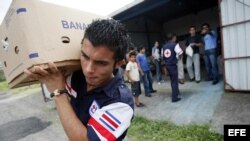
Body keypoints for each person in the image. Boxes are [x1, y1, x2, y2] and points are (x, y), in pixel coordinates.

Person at [24, 19, 134, 141]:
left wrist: (58, 92)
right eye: (85, 56)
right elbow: (53, 78)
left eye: (101, 63)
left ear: (118, 63)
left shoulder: (121, 102)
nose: (88, 69)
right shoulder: (76, 76)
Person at [162, 34, 182, 102]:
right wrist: (179, 58)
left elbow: (163, 57)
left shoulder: (164, 46)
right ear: (173, 38)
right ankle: (174, 97)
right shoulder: (175, 45)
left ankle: (176, 91)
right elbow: (180, 53)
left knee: (172, 80)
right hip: (173, 65)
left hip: (167, 65)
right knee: (174, 81)